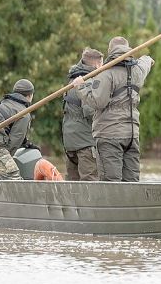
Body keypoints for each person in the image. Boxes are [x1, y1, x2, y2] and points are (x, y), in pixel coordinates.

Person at [72, 36, 154, 182]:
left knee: (111, 183)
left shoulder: (106, 74)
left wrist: (80, 86)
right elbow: (146, 62)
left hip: (109, 136)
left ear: (110, 51)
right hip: (132, 135)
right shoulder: (138, 71)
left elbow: (98, 102)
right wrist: (148, 59)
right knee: (132, 182)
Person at [62, 47, 103, 181]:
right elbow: (90, 111)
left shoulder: (71, 81)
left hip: (69, 142)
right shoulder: (89, 82)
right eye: (102, 64)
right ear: (97, 64)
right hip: (85, 144)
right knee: (89, 183)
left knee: (72, 185)